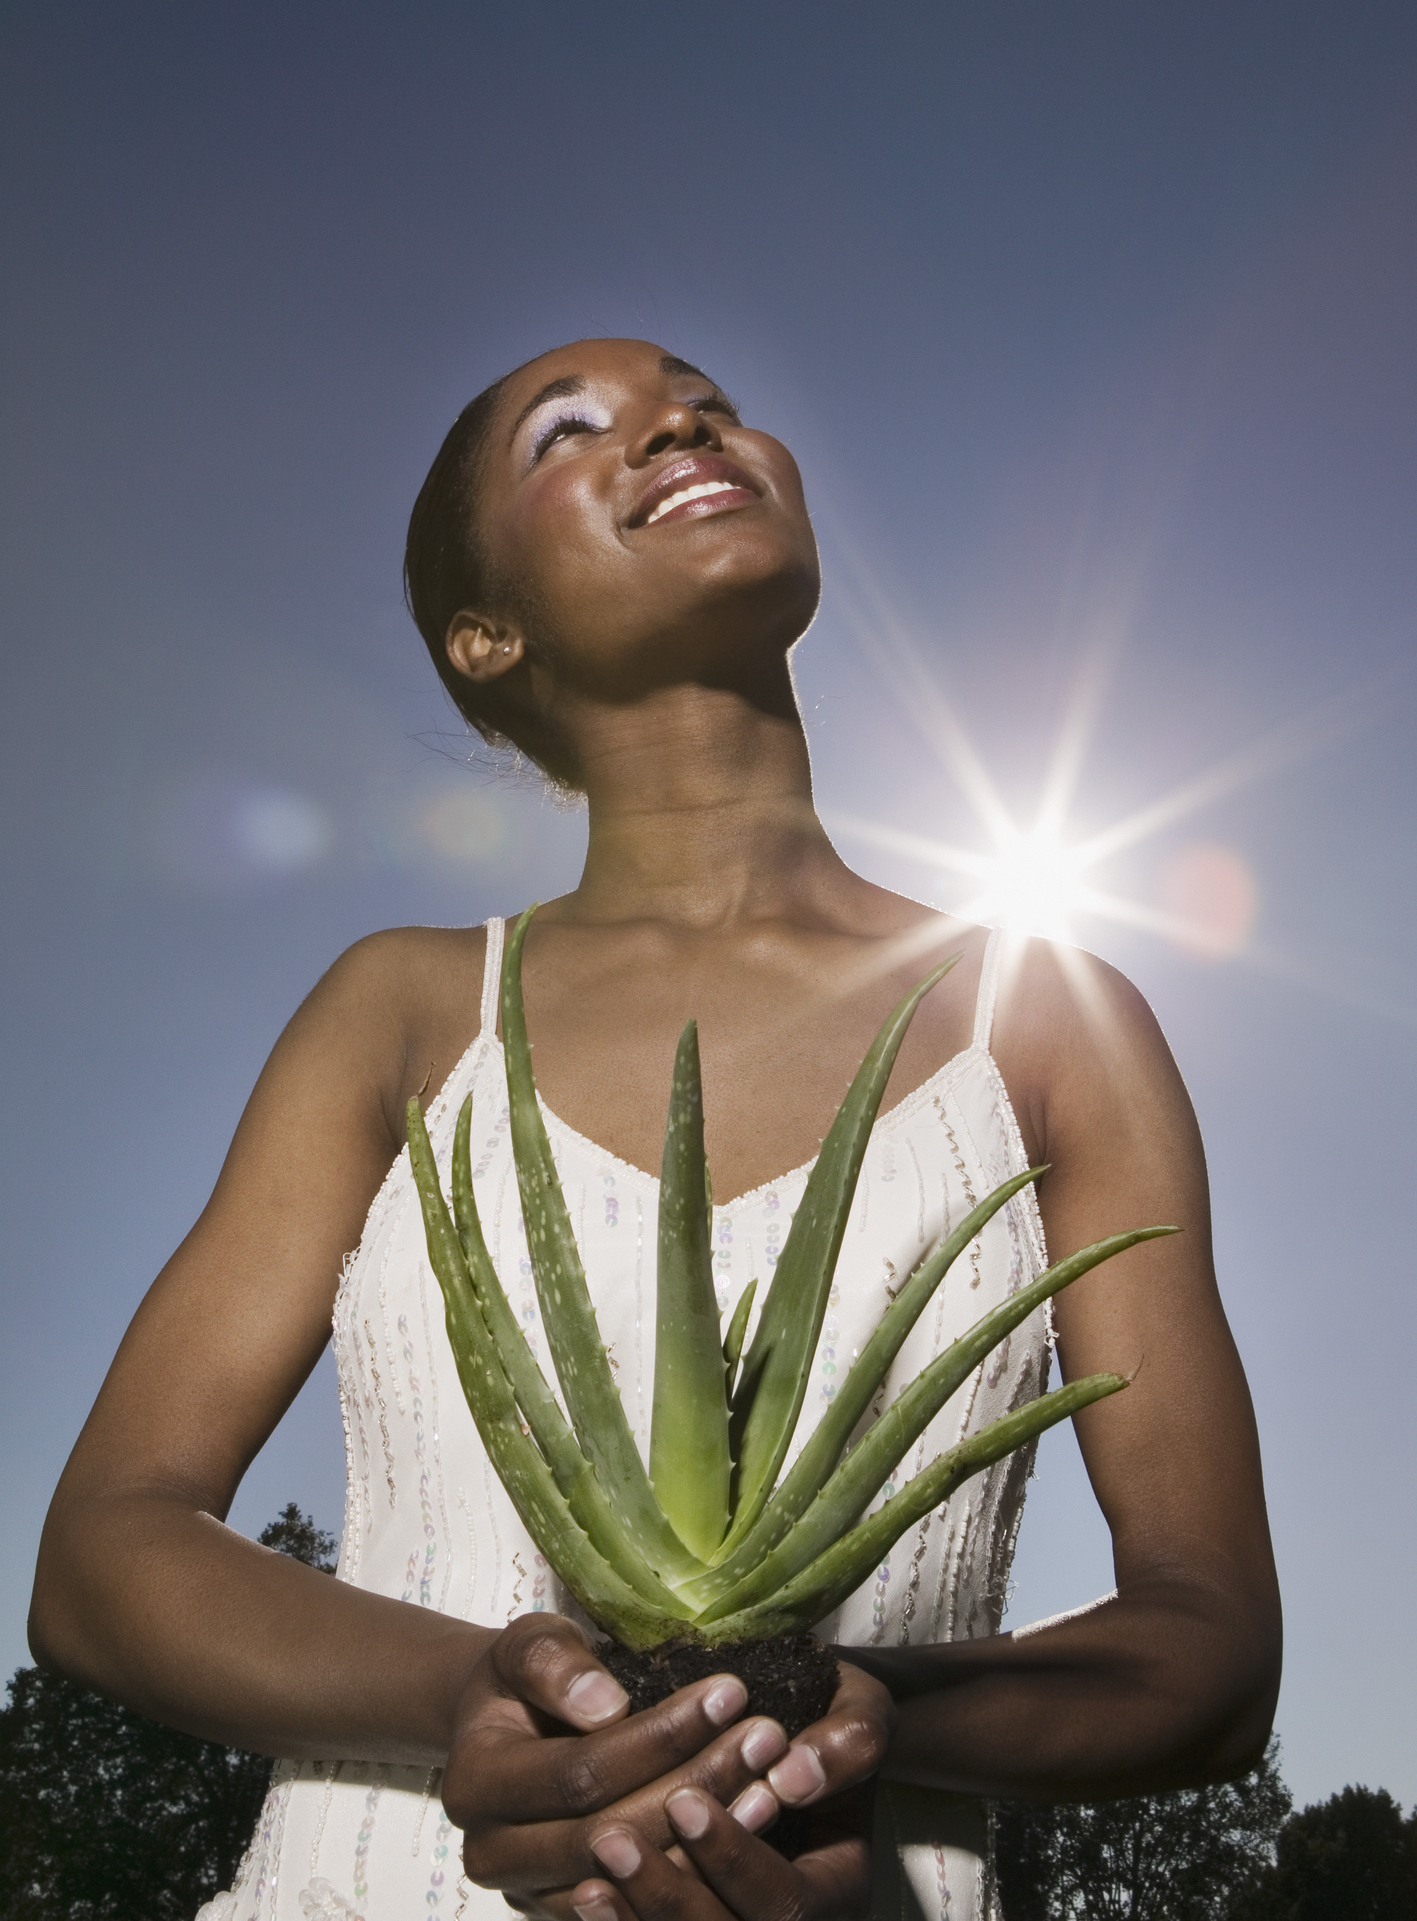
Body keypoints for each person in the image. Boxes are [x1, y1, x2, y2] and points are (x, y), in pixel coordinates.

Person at [29, 338, 1281, 1921]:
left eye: (706, 398)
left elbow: (1212, 1640)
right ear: (485, 635)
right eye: (573, 430)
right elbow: (102, 1551)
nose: (680, 422)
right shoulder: (407, 1010)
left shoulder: (1050, 1024)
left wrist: (846, 1733)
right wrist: (475, 1698)